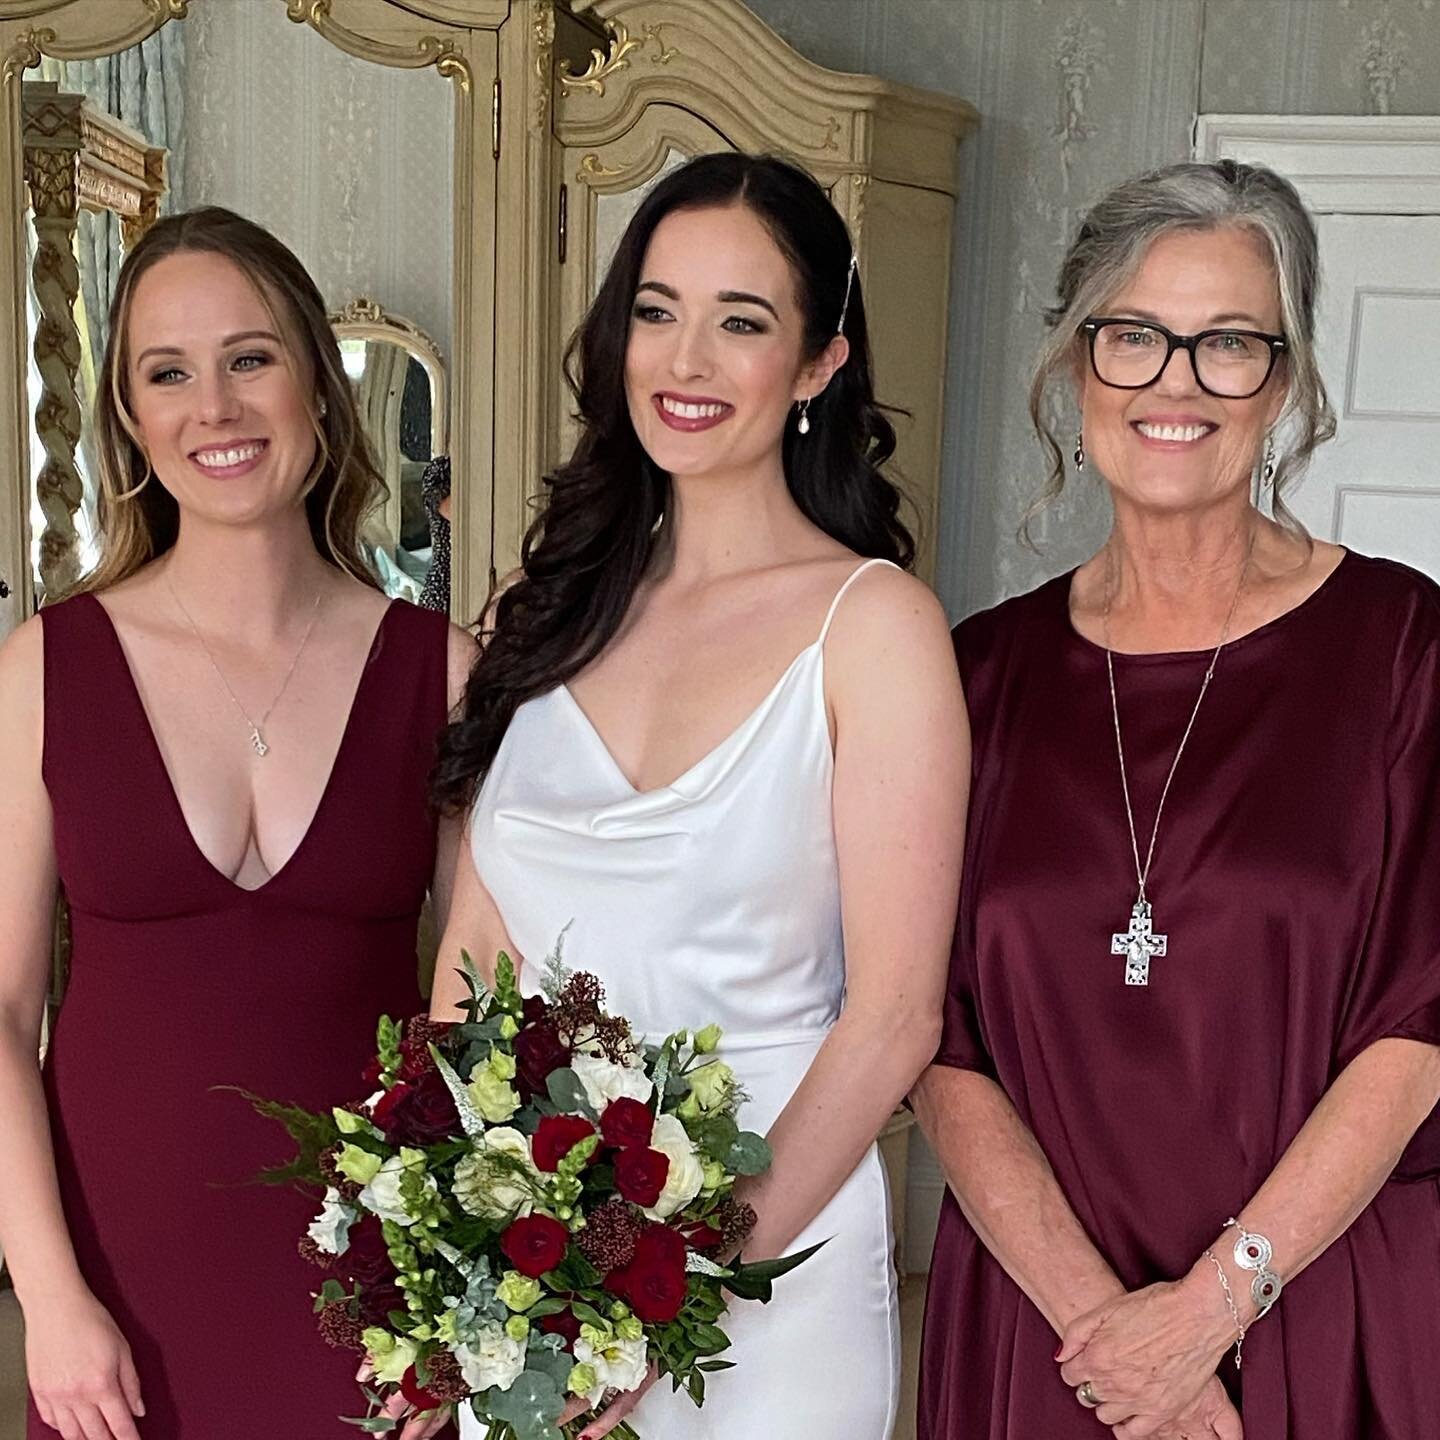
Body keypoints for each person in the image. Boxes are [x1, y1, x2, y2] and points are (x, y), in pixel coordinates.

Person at [416, 152, 968, 1440]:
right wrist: (444, 1248)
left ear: (823, 362)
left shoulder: (873, 628)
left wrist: (677, 1302)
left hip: (767, 1275)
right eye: (658, 311)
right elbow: (475, 961)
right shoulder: (539, 613)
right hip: (538, 1262)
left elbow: (893, 1020)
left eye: (743, 321)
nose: (687, 359)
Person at [914, 159, 1440, 1440]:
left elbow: (1419, 1026)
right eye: (1136, 336)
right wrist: (1116, 1338)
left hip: (1327, 1304)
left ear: (1290, 379)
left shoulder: (1402, 644)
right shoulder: (975, 674)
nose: (1176, 385)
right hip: (1048, 1321)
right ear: (1076, 361)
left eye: (1230, 346)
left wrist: (1209, 1310)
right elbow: (938, 1041)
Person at [0, 207, 473, 1439]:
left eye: (250, 358)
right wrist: (49, 1300)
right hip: (114, 1303)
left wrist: (453, 1301)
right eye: (168, 372)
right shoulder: (47, 667)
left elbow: (478, 1011)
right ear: (132, 420)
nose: (214, 407)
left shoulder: (444, 670)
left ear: (318, 379)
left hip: (371, 1294)